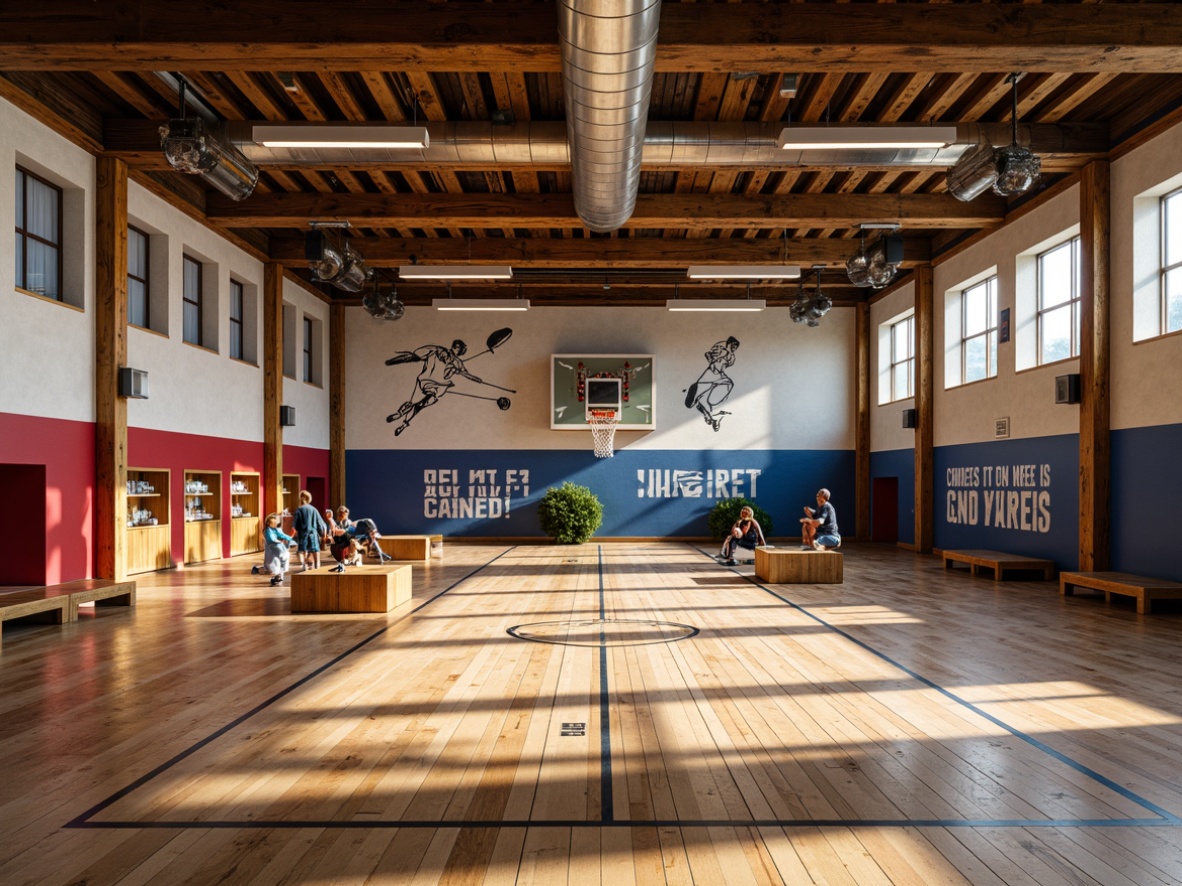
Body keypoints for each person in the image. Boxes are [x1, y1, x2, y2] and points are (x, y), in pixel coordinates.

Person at [386, 340, 482, 436]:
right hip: (424, 381)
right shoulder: (437, 349)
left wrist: (477, 380)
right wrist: (396, 360)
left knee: (422, 404)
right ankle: (400, 414)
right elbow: (416, 355)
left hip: (438, 387)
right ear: (456, 347)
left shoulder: (457, 362)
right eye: (458, 349)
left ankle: (403, 424)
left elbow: (466, 374)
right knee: (414, 402)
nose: (458, 351)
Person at [685, 336, 739, 432]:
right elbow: (708, 354)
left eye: (736, 346)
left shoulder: (731, 357)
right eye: (733, 345)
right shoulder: (721, 349)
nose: (735, 347)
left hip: (718, 380)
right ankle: (709, 414)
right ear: (729, 343)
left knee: (704, 400)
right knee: (690, 404)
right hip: (707, 381)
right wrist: (712, 360)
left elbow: (720, 368)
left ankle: (713, 417)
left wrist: (716, 364)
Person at [292, 490, 328, 571]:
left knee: (303, 550)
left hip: (302, 533)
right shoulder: (314, 509)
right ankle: (317, 564)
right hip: (313, 533)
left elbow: (294, 525)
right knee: (315, 549)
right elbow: (321, 524)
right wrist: (322, 535)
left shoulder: (298, 510)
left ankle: (304, 565)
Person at [262, 513, 294, 586]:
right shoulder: (268, 531)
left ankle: (279, 574)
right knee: (274, 562)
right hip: (272, 548)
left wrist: (289, 538)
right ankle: (277, 575)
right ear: (268, 523)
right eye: (273, 523)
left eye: (276, 522)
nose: (275, 524)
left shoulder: (276, 529)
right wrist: (279, 541)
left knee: (284, 557)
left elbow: (282, 535)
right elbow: (271, 539)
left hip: (278, 547)